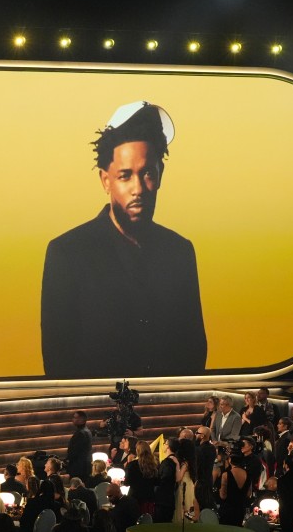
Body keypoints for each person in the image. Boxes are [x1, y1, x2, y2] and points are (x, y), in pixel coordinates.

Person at [40, 100, 206, 378]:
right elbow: (58, 365)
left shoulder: (180, 252)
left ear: (160, 175)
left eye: (148, 173)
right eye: (125, 176)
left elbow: (194, 352)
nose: (138, 188)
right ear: (105, 180)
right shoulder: (67, 254)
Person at [67, 410, 93, 483]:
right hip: (84, 467)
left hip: (78, 468)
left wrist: (68, 460)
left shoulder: (81, 433)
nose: (73, 419)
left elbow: (75, 451)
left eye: (75, 417)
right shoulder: (87, 431)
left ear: (81, 420)